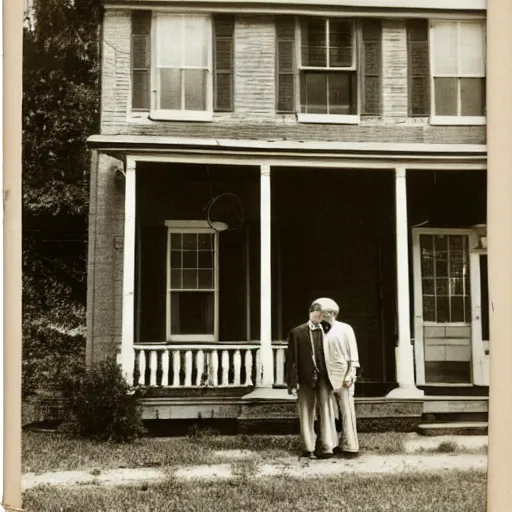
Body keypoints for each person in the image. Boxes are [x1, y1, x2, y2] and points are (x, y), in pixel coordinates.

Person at [286, 302, 338, 459]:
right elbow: (291, 360)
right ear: (309, 314)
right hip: (305, 378)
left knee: (326, 410)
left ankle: (326, 446)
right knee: (306, 411)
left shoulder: (328, 331)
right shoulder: (297, 332)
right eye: (314, 314)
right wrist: (292, 383)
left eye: (320, 315)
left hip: (324, 377)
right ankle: (308, 446)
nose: (317, 317)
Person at [315, 297, 360, 458]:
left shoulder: (345, 329)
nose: (321, 315)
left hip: (343, 375)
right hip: (325, 376)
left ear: (332, 313)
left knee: (347, 410)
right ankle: (328, 446)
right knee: (325, 411)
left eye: (324, 311)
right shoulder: (317, 330)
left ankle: (350, 445)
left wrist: (351, 374)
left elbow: (353, 355)